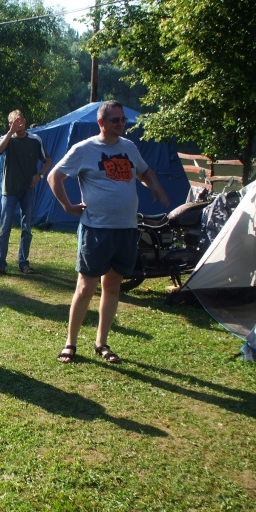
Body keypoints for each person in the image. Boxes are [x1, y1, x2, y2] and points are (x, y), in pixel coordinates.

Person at [47, 100, 169, 364]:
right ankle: (70, 343)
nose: (121, 124)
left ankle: (101, 343)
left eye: (123, 119)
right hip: (96, 229)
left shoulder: (129, 147)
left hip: (126, 228)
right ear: (101, 122)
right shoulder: (85, 149)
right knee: (85, 287)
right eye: (115, 120)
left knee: (112, 285)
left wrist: (155, 186)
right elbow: (54, 177)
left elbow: (144, 171)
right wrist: (67, 206)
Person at [0, 110, 52, 277]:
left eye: (21, 120)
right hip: (9, 189)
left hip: (28, 189)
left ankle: (23, 262)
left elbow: (48, 160)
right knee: (5, 228)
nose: (20, 124)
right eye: (15, 122)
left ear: (25, 120)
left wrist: (39, 175)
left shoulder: (35, 139)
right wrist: (10, 132)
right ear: (10, 124)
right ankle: (0, 264)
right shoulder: (7, 139)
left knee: (26, 227)